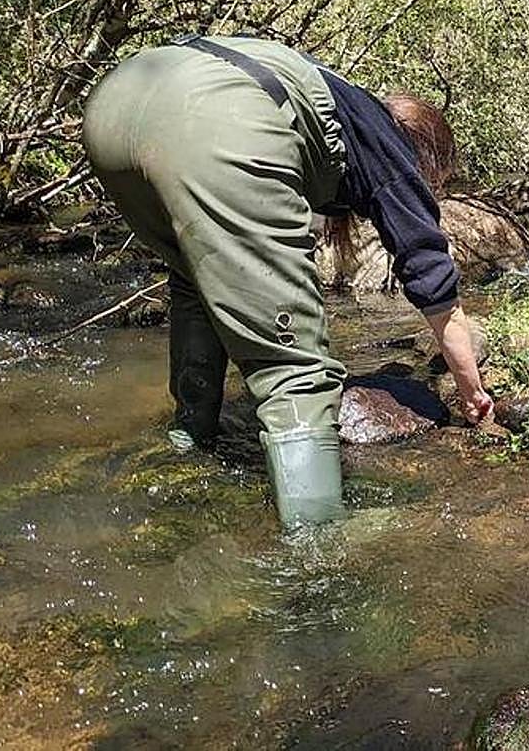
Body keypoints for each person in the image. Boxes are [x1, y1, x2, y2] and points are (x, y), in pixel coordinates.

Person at [81, 34, 492, 526]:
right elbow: (431, 275)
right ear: (424, 152)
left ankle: (188, 443)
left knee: (195, 281)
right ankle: (315, 543)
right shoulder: (388, 145)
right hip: (215, 118)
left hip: (115, 108)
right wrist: (471, 390)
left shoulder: (342, 102)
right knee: (295, 367)